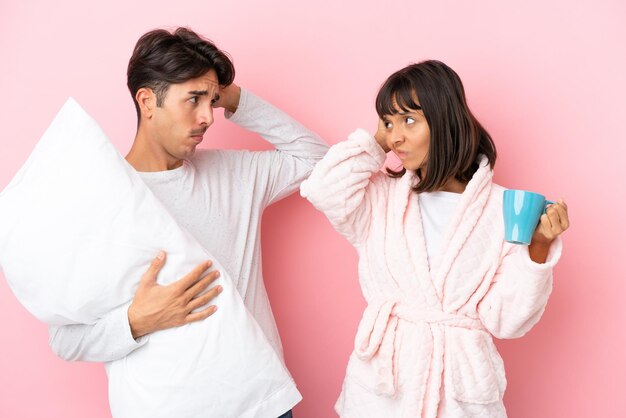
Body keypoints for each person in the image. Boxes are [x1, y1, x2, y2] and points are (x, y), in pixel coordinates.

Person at [48, 27, 328, 418]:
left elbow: (318, 160)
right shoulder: (101, 200)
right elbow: (65, 339)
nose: (206, 117)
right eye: (193, 99)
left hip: (262, 402)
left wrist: (233, 97)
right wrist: (135, 321)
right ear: (147, 101)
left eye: (210, 101)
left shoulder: (233, 174)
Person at [300, 60, 569, 417]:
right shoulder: (379, 199)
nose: (396, 136)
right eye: (388, 122)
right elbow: (322, 189)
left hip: (459, 392)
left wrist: (538, 247)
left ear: (444, 120)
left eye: (409, 120)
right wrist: (380, 139)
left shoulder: (500, 208)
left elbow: (508, 321)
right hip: (384, 390)